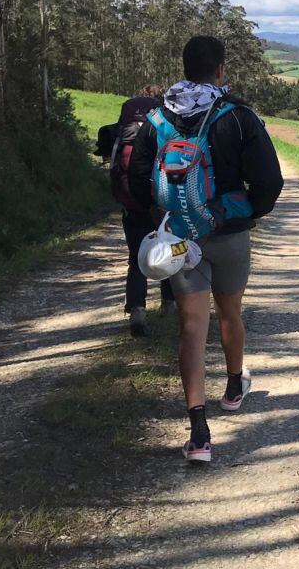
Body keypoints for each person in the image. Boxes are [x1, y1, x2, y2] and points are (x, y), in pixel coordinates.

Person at [129, 36, 283, 463]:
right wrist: (246, 211)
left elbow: (138, 179)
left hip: (181, 240)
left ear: (184, 66)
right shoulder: (237, 117)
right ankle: (234, 387)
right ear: (220, 70)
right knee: (230, 313)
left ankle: (198, 434)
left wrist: (165, 217)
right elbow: (270, 180)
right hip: (229, 233)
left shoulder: (158, 118)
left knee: (192, 328)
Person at [110, 85, 176, 336]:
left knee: (136, 258)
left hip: (132, 205)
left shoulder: (123, 131)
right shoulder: (164, 128)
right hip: (160, 204)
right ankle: (169, 304)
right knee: (168, 249)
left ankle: (137, 310)